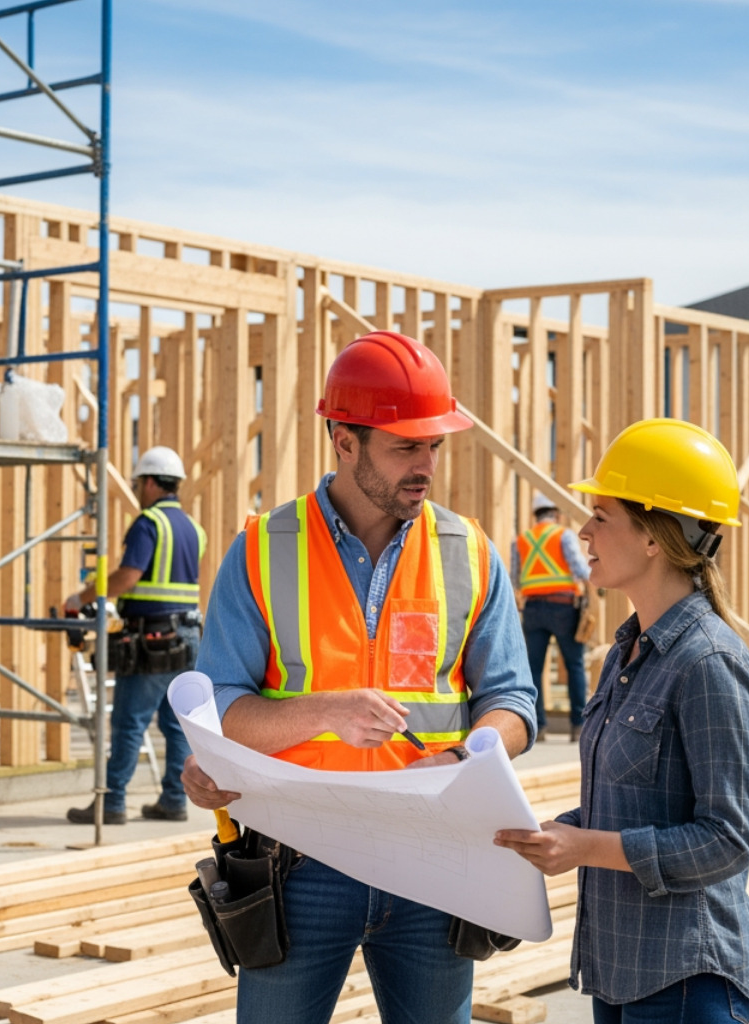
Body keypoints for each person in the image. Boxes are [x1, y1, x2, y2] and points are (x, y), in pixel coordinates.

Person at [182, 331, 537, 1024]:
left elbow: (513, 701)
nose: (426, 466)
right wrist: (324, 712)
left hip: (435, 862)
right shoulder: (263, 549)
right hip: (298, 863)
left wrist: (467, 756)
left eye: (434, 445)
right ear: (345, 442)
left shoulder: (469, 552)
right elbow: (219, 708)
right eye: (406, 447)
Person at [494, 418, 749, 1023]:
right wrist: (558, 831)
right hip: (620, 966)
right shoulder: (625, 653)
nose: (583, 531)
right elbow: (633, 800)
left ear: (653, 538)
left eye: (601, 516)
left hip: (686, 976)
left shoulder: (710, 663)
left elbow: (727, 840)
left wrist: (585, 846)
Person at [64, 447, 205, 824]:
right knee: (175, 724)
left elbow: (128, 576)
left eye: (139, 483)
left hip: (153, 640)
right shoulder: (193, 528)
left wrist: (82, 597)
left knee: (129, 722)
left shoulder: (149, 523)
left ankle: (111, 803)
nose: (137, 490)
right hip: (188, 636)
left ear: (151, 483)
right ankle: (174, 800)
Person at [514, 492, 591, 742]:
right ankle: (578, 727)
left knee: (533, 669)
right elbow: (580, 569)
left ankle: (538, 727)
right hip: (563, 607)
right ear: (555, 514)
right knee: (574, 665)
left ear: (535, 514)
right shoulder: (563, 535)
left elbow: (516, 578)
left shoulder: (522, 539)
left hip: (533, 609)